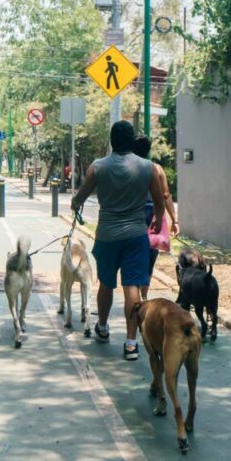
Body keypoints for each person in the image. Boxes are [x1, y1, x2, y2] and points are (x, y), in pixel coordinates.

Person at [71, 120, 165, 361]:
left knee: (106, 283)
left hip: (108, 234)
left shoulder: (98, 166)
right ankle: (131, 342)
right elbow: (159, 199)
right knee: (132, 286)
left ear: (111, 140)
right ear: (132, 140)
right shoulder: (148, 167)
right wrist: (157, 220)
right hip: (136, 235)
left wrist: (75, 205)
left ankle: (102, 327)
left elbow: (80, 196)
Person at [131, 135, 178, 301]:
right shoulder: (156, 169)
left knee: (134, 257)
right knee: (150, 258)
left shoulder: (128, 168)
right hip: (154, 215)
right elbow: (165, 195)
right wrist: (174, 220)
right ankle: (144, 296)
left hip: (134, 215)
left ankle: (134, 295)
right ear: (148, 150)